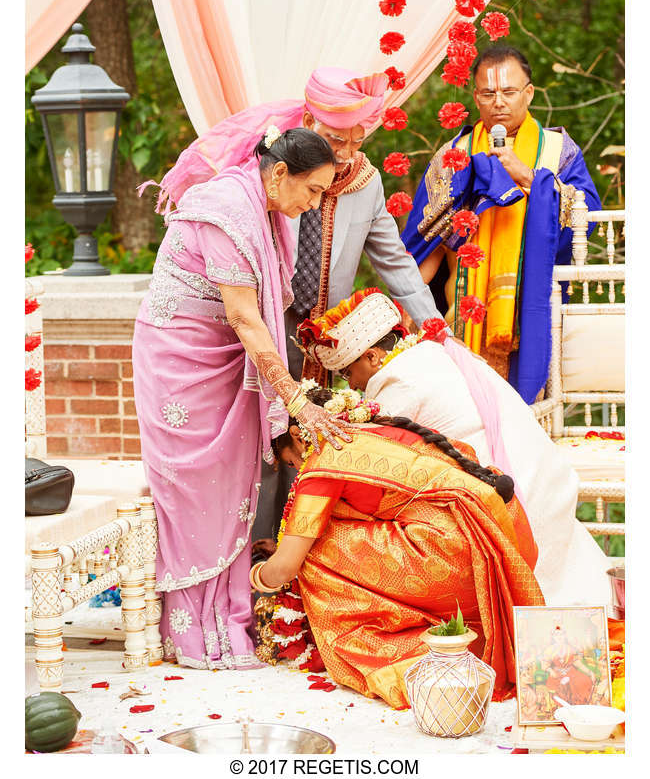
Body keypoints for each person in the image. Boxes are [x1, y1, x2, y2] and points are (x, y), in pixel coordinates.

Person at [144, 67, 449, 545]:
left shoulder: (365, 183)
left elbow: (395, 262)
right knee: (261, 447)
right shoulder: (261, 172)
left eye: (356, 141)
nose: (346, 154)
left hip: (322, 338)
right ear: (307, 122)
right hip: (260, 326)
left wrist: (435, 328)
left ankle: (297, 575)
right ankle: (251, 560)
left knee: (309, 449)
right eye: (335, 140)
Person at [132, 127, 351, 670]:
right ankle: (191, 633)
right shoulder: (226, 211)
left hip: (223, 357)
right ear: (280, 173)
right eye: (314, 190)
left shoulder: (265, 209)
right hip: (182, 361)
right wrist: (297, 402)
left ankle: (227, 622)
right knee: (194, 492)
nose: (314, 203)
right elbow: (244, 318)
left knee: (230, 489)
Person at [294, 289, 611, 607]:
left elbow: (369, 464)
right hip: (542, 476)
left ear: (373, 356)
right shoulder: (430, 354)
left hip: (515, 501)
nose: (352, 386)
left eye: (349, 373)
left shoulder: (396, 382)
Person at [250, 388, 544, 708]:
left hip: (456, 554)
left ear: (297, 434)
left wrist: (252, 573)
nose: (296, 469)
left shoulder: (324, 457)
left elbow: (286, 567)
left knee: (315, 551)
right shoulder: (377, 428)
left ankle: (385, 648)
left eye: (290, 461)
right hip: (503, 539)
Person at [401, 44, 601, 403]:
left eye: (509, 92)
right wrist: (405, 310)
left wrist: (527, 176)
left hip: (533, 310)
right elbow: (426, 240)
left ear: (529, 94)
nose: (499, 102)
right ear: (475, 97)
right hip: (463, 313)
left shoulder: (558, 150)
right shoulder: (454, 155)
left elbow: (587, 220)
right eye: (489, 93)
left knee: (528, 421)